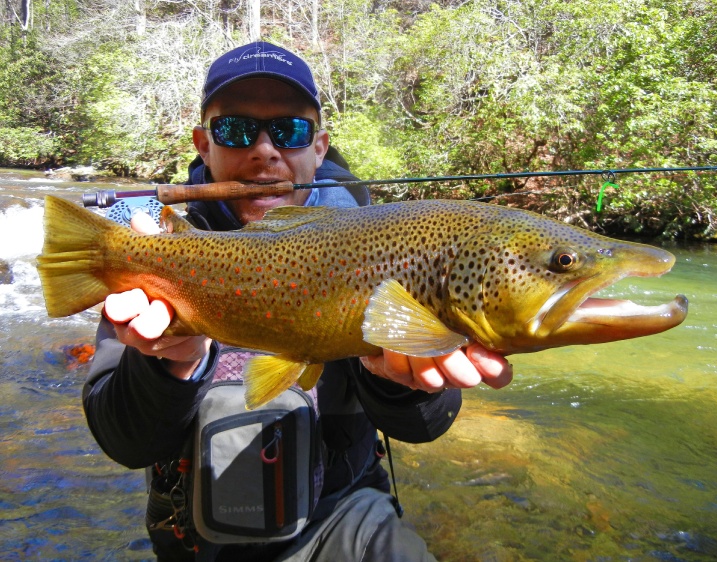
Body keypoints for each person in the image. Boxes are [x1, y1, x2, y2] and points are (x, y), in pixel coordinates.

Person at [82, 41, 513, 561]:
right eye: (237, 129)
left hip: (343, 515)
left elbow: (425, 426)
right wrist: (166, 365)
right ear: (203, 144)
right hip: (199, 537)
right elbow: (122, 442)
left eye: (289, 130)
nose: (265, 150)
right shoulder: (157, 251)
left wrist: (397, 380)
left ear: (319, 148)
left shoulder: (378, 244)